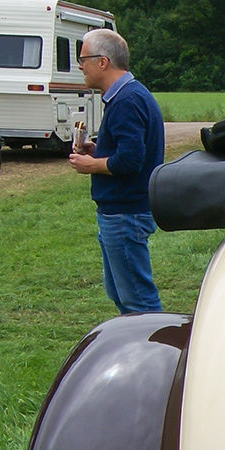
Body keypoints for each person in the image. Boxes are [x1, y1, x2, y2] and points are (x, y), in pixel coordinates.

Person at [69, 28, 164, 314]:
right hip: (122, 212)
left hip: (126, 214)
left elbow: (130, 161)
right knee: (122, 294)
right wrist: (98, 149)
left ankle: (156, 354)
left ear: (103, 62)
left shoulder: (126, 101)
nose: (79, 66)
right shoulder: (126, 96)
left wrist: (92, 165)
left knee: (138, 300)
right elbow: (130, 150)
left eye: (83, 59)